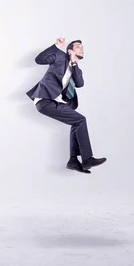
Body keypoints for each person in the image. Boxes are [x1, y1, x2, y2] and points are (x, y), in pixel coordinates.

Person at [26, 38, 106, 174]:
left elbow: (80, 83)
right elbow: (38, 60)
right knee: (80, 120)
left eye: (82, 47)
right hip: (45, 99)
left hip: (56, 101)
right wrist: (57, 46)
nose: (81, 48)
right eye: (78, 46)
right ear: (70, 50)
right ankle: (87, 159)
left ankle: (73, 161)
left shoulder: (77, 69)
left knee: (77, 123)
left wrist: (74, 64)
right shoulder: (59, 56)